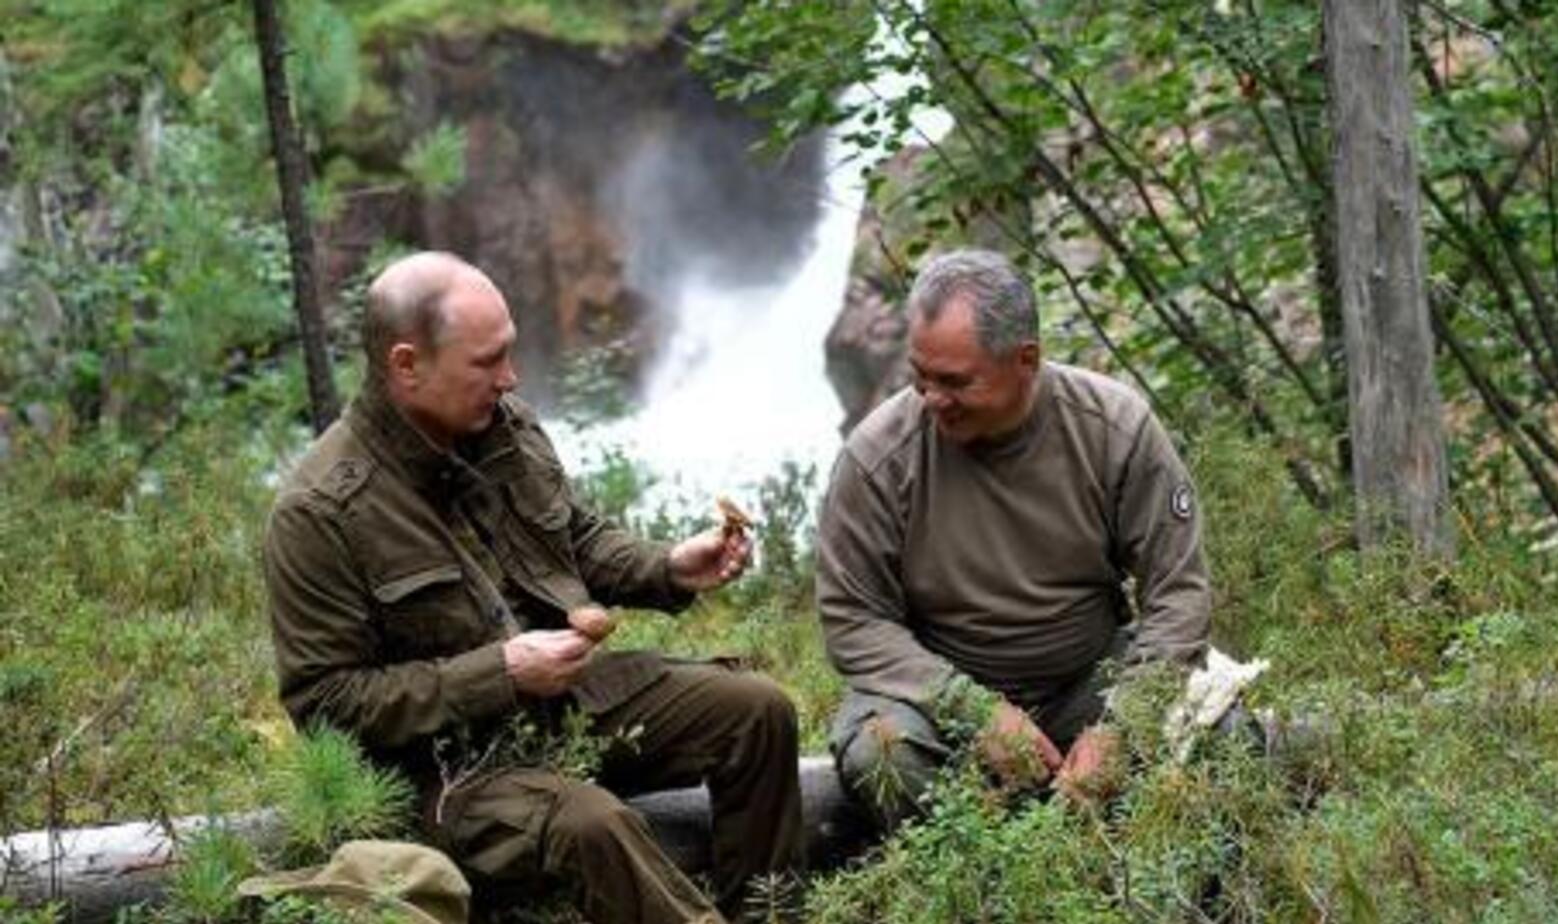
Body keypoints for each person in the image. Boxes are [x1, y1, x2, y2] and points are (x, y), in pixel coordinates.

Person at [263, 252, 801, 924]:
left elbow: (570, 537)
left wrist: (667, 566)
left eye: (509, 353)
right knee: (593, 824)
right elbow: (325, 704)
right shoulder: (320, 511)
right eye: (486, 361)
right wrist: (501, 673)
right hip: (444, 775)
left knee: (756, 711)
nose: (511, 377)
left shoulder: (500, 424)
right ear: (407, 365)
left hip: (562, 709)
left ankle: (770, 914)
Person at [816, 248, 1212, 828]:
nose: (931, 400)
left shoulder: (1114, 428)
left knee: (1218, 728)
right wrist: (974, 712)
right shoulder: (877, 457)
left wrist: (1124, 725)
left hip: (1088, 683)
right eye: (919, 376)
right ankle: (978, 892)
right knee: (883, 752)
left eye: (954, 381)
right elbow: (852, 620)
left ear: (1026, 359)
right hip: (936, 702)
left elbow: (1179, 596)